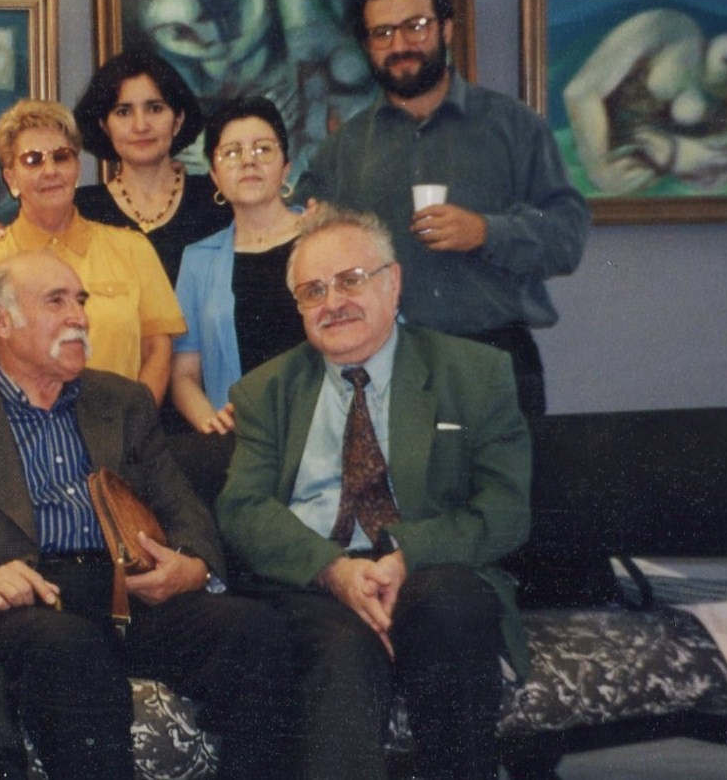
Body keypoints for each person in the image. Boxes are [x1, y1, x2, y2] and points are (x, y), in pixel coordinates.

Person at [0, 250, 297, 779]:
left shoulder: (124, 401)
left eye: (81, 301)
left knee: (256, 631)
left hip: (127, 592)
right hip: (30, 603)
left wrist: (194, 565)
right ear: (1, 321)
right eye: (56, 301)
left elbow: (183, 508)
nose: (80, 317)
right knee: (70, 649)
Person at [216, 204, 532, 780]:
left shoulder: (474, 373)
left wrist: (406, 557)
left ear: (394, 282)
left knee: (449, 605)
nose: (333, 302)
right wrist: (333, 570)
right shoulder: (266, 391)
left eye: (351, 281)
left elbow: (506, 510)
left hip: (428, 567)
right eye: (313, 291)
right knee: (342, 647)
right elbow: (242, 509)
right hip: (313, 581)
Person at [294, 0, 589, 417]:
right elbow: (298, 228)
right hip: (383, 368)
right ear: (367, 46)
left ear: (446, 29)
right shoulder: (343, 149)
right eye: (382, 33)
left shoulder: (514, 126)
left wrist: (487, 232)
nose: (400, 45)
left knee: (510, 489)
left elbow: (567, 239)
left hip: (497, 359)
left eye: (415, 26)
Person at [0, 98, 186, 406]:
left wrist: (131, 428)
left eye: (61, 157)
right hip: (25, 438)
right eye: (33, 160)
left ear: (77, 167)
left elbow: (158, 351)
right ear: (11, 178)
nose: (50, 171)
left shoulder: (133, 249)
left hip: (121, 439)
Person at [171, 96, 306, 435]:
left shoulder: (326, 238)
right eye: (231, 152)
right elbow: (183, 373)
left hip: (324, 430)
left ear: (286, 167)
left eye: (263, 149)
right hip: (242, 442)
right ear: (214, 176)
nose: (249, 162)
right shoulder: (198, 260)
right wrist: (210, 422)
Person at [562, 7, 727, 194]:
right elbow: (580, 91)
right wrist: (600, 168)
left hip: (658, 154)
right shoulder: (673, 32)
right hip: (611, 145)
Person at [73, 48, 231, 283]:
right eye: (123, 111)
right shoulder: (80, 210)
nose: (140, 125)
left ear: (178, 121)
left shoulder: (218, 199)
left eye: (155, 108)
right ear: (105, 126)